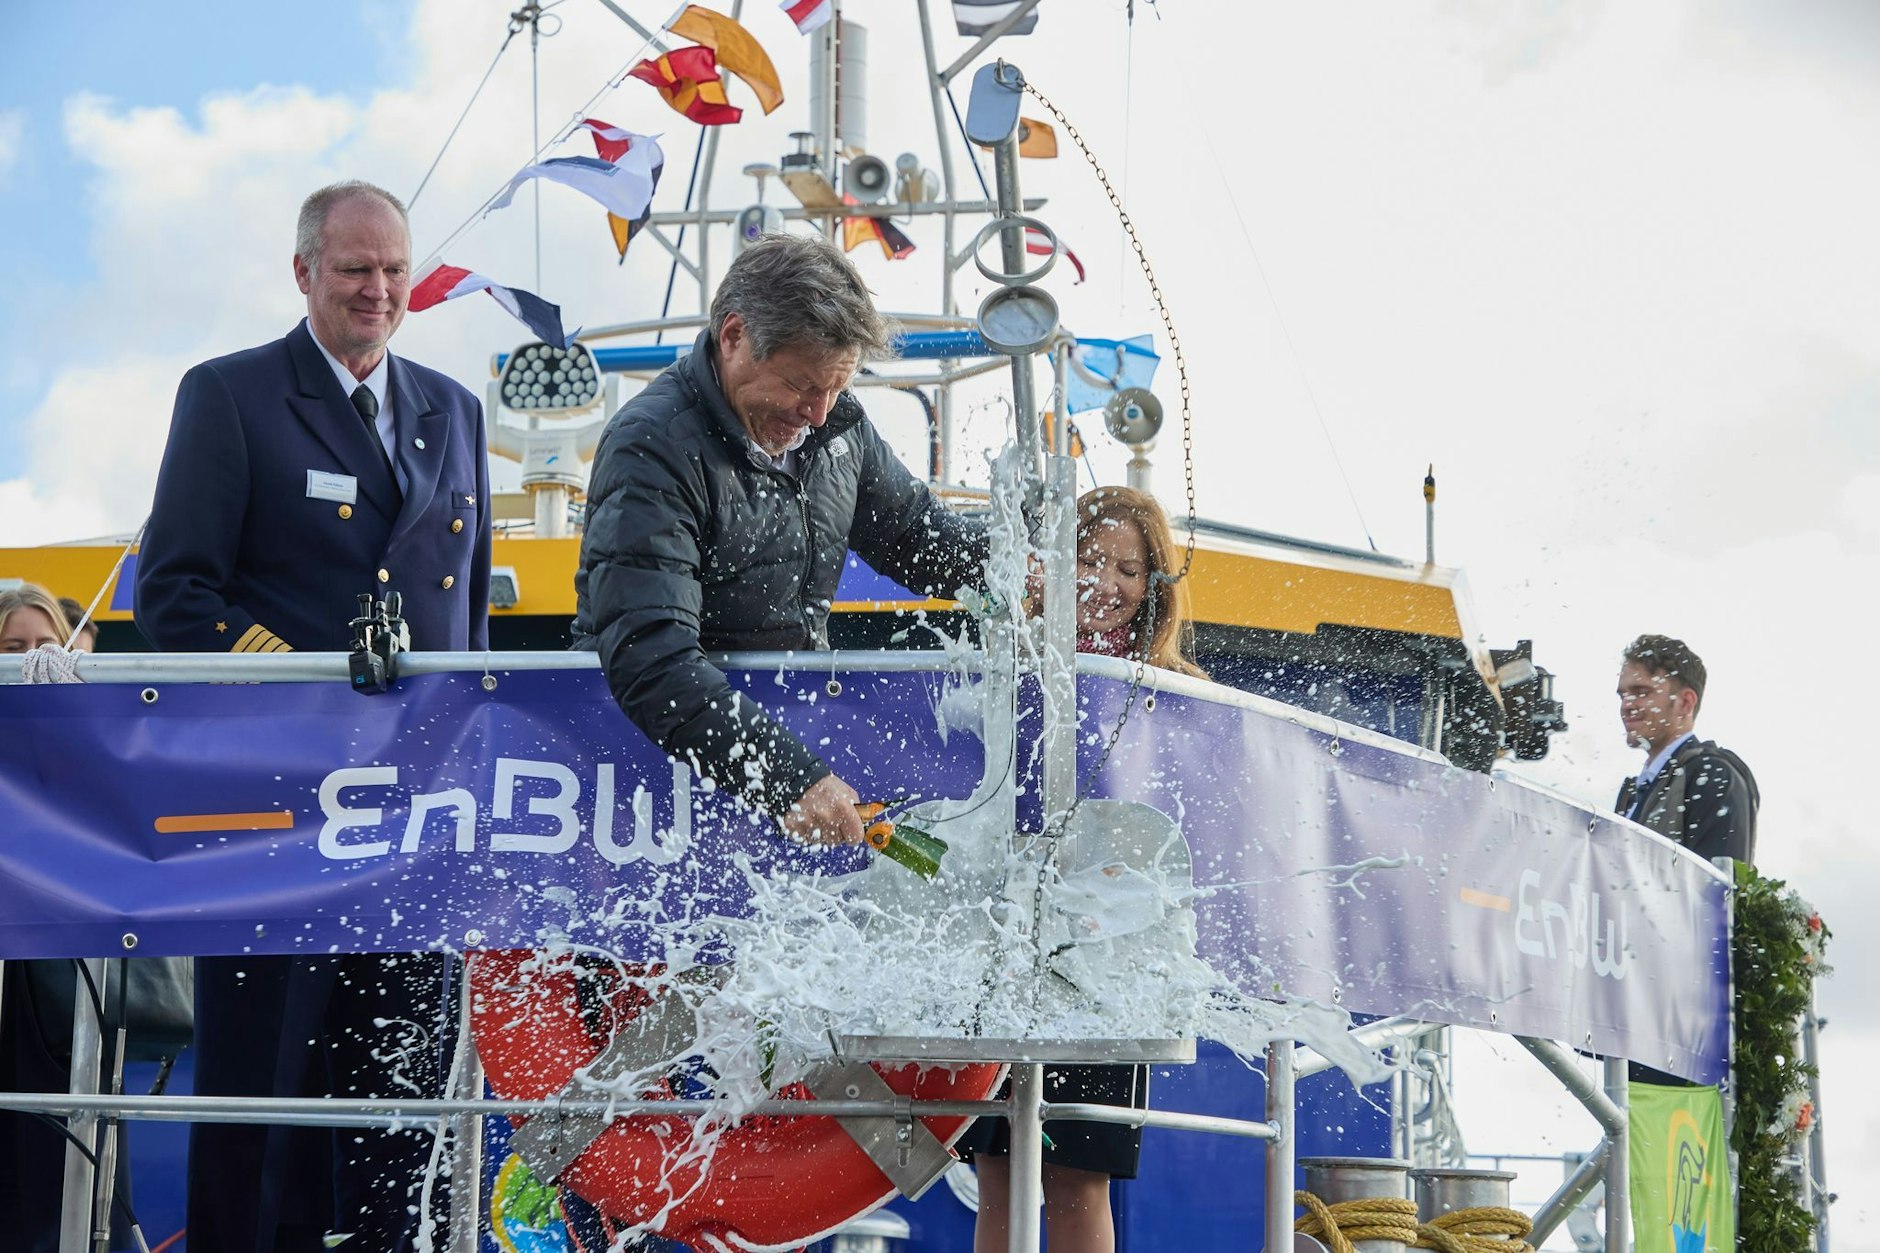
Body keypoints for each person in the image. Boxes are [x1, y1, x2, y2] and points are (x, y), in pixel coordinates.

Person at [134, 179, 492, 1253]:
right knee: (258, 1105)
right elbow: (176, 595)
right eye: (354, 270)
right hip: (275, 815)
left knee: (402, 1108)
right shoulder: (231, 395)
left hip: (412, 820)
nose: (378, 289)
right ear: (304, 273)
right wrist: (305, 680)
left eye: (394, 269)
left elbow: (469, 623)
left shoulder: (454, 410)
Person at [573, 232, 987, 845]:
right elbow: (650, 655)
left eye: (837, 388)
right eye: (802, 385)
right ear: (733, 336)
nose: (818, 413)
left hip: (786, 757)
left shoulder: (838, 430)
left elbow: (916, 536)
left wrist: (1028, 572)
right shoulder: (652, 447)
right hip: (657, 776)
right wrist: (788, 779)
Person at [967, 485, 1205, 1253]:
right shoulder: (1010, 662)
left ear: (1154, 584)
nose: (1107, 583)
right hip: (1006, 942)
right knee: (999, 1167)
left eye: (1129, 569)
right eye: (1091, 560)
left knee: (1078, 1178)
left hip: (1110, 956)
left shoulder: (1173, 693)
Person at [1614, 634, 1757, 865]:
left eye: (1641, 692)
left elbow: (1717, 884)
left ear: (1685, 703)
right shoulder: (1636, 790)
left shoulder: (1713, 775)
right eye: (1623, 695)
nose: (1627, 705)